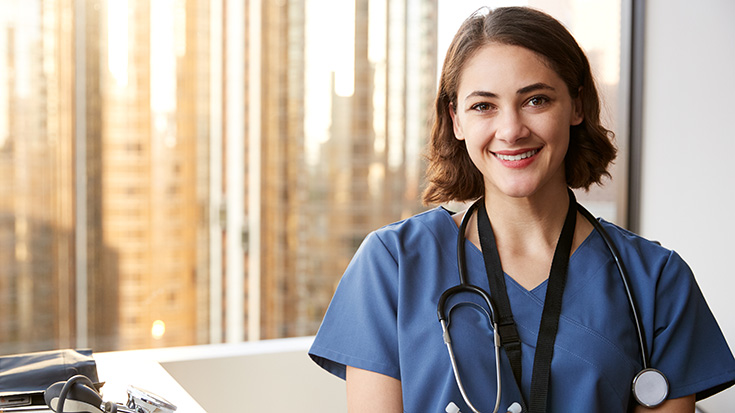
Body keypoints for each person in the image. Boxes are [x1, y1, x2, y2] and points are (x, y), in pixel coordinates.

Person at [309, 6, 735, 412]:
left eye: (536, 100)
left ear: (577, 106)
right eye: (483, 106)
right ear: (456, 120)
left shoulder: (656, 281)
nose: (511, 130)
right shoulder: (393, 264)